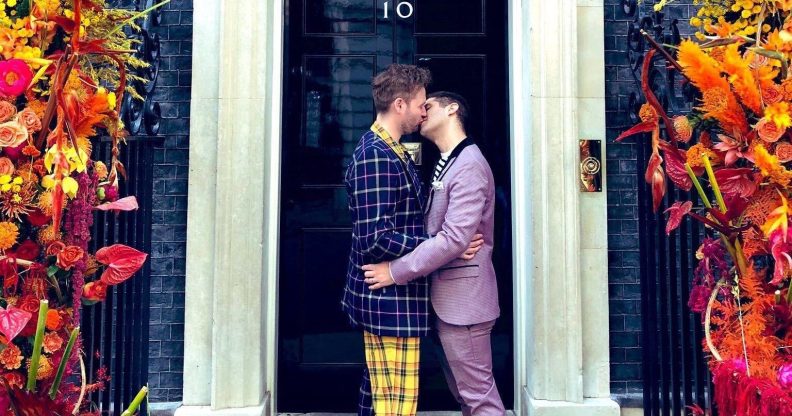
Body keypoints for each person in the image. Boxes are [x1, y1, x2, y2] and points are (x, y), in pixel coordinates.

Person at [362, 91, 505, 415]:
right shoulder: (448, 162)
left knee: (478, 398)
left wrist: (395, 270)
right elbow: (447, 236)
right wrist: (445, 240)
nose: (421, 112)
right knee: (464, 395)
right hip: (447, 301)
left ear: (452, 109)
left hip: (464, 304)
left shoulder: (468, 164)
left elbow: (454, 238)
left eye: (428, 106)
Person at [342, 63, 432, 416]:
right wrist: (435, 244)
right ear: (399, 104)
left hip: (393, 297)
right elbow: (374, 237)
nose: (424, 111)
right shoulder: (375, 156)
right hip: (387, 300)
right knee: (393, 402)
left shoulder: (390, 149)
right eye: (421, 104)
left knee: (382, 394)